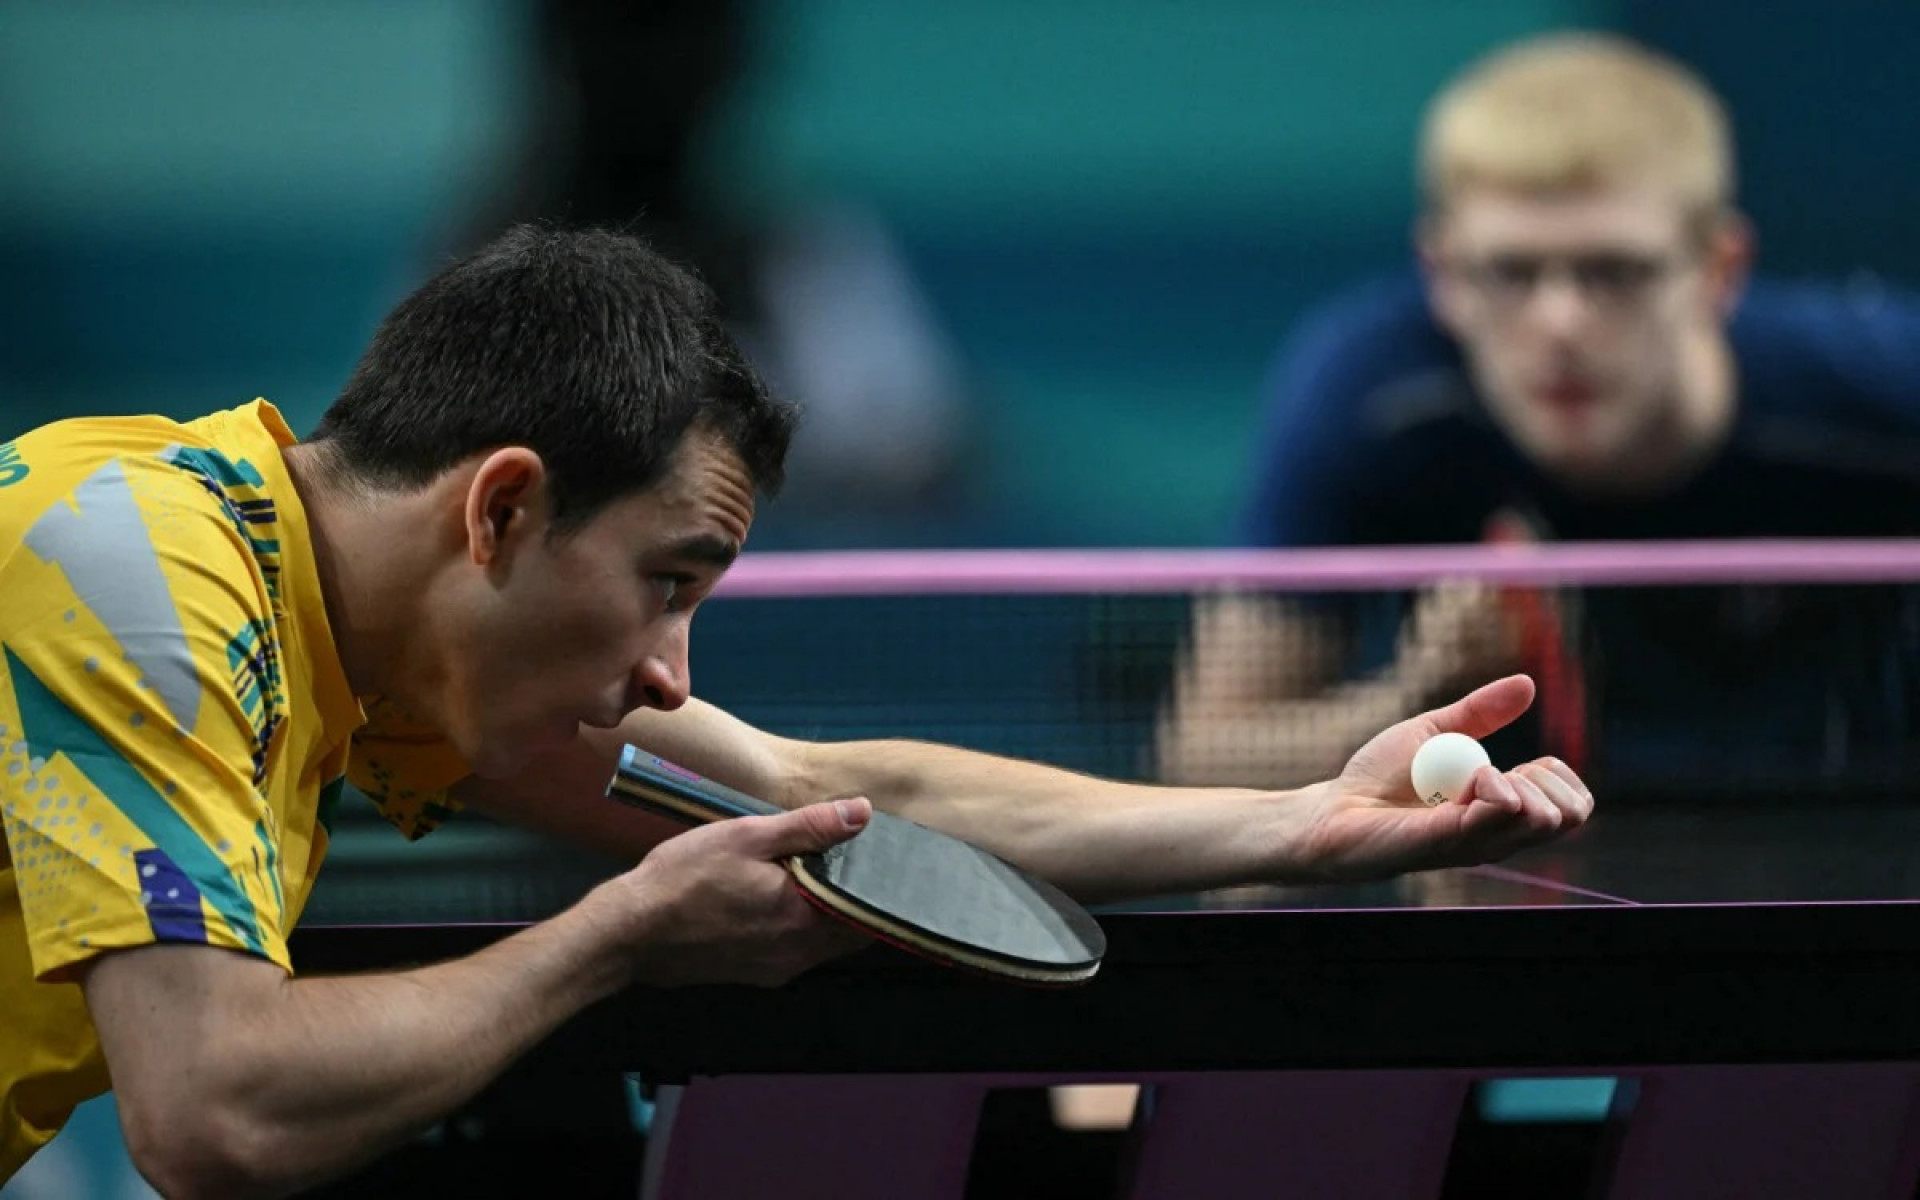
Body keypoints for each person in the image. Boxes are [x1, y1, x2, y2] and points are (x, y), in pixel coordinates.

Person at [0, 225, 1590, 1196]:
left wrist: (1302, 819)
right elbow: (214, 1114)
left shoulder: (370, 636)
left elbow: (822, 793)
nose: (671, 673)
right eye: (667, 581)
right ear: (500, 510)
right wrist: (617, 939)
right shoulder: (128, 570)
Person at [1157, 32, 1920, 794]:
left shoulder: (1881, 393)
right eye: (1511, 272)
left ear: (1719, 270)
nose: (1560, 323)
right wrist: (1419, 695)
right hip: (1507, 855)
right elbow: (1206, 760)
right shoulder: (1375, 399)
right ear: (1442, 275)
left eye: (1615, 272)